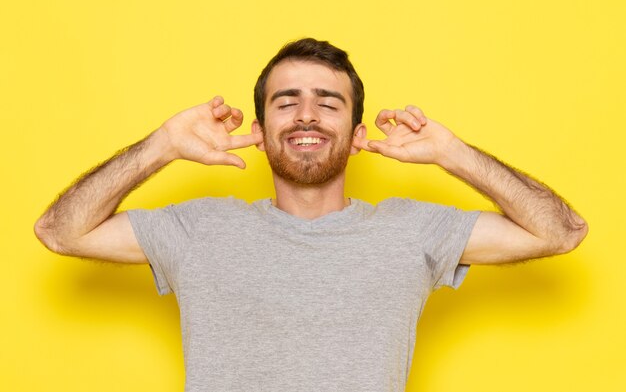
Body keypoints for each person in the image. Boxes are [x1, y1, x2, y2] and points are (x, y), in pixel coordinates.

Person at [34, 38, 588, 392]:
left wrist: (455, 155)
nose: (306, 115)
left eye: (328, 102)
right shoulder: (200, 230)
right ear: (258, 130)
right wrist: (161, 145)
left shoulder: (409, 230)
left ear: (356, 135)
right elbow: (59, 231)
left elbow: (561, 231)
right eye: (285, 101)